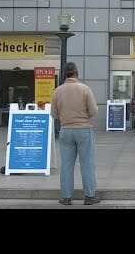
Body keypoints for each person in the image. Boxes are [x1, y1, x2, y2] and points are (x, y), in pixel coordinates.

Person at [50, 62, 100, 206]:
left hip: (66, 130)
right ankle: (89, 196)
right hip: (84, 129)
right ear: (76, 73)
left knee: (66, 165)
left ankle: (66, 197)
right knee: (87, 163)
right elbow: (94, 111)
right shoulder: (85, 89)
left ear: (64, 74)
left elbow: (53, 114)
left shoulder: (57, 91)